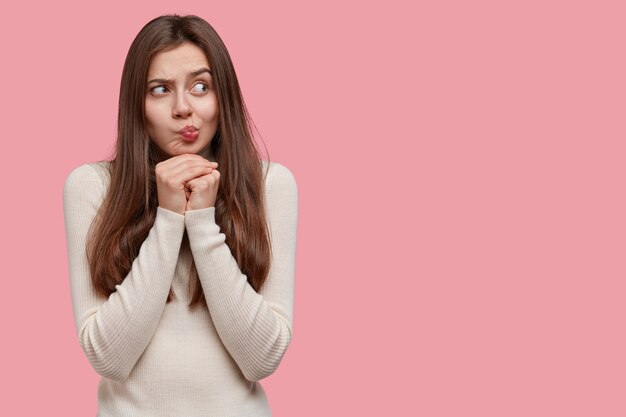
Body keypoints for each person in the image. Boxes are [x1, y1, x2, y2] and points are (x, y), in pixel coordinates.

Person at [63, 14, 298, 417]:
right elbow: (110, 359)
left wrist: (203, 222)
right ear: (136, 104)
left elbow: (262, 359)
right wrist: (169, 219)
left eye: (200, 86)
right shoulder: (92, 187)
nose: (183, 108)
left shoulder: (270, 184)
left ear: (222, 96)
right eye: (160, 89)